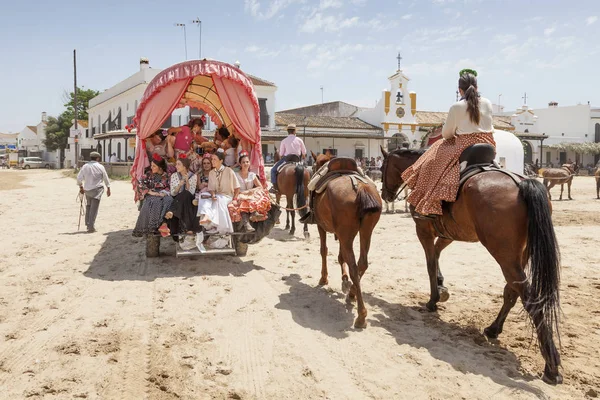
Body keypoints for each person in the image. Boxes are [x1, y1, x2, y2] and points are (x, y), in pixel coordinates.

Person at [401, 69, 495, 216]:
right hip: (489, 144)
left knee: (433, 159)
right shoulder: (488, 103)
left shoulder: (457, 106)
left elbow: (446, 134)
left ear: (460, 90)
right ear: (476, 88)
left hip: (465, 145)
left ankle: (430, 202)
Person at [197, 150, 240, 234]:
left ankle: (218, 226)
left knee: (219, 200)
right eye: (212, 159)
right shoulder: (212, 173)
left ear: (221, 161)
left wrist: (235, 199)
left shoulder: (229, 171)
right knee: (203, 195)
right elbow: (211, 188)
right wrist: (212, 195)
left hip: (227, 196)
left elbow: (237, 187)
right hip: (216, 195)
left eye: (214, 159)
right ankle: (206, 216)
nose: (212, 161)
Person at [228, 151, 271, 233]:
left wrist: (251, 191)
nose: (245, 164)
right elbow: (234, 189)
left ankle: (253, 215)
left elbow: (260, 187)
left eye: (247, 162)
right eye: (243, 162)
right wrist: (243, 193)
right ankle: (247, 223)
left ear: (249, 163)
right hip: (240, 194)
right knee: (243, 200)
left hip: (250, 194)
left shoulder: (252, 175)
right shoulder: (236, 175)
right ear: (240, 164)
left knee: (257, 196)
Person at [132, 155, 172, 237]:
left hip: (163, 194)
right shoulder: (148, 174)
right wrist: (151, 192)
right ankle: (153, 227)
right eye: (151, 165)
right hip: (152, 195)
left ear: (160, 167)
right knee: (155, 201)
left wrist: (164, 193)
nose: (152, 167)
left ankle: (163, 223)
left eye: (154, 166)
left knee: (169, 200)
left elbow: (170, 186)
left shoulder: (167, 175)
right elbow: (140, 184)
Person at [165, 155, 199, 238]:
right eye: (176, 164)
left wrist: (187, 181)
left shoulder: (193, 176)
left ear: (184, 166)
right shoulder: (174, 176)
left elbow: (191, 192)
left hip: (189, 198)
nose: (176, 166)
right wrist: (179, 186)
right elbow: (173, 193)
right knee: (182, 195)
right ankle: (188, 229)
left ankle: (172, 211)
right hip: (178, 199)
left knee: (186, 193)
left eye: (178, 164)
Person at [76, 151, 111, 233]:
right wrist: (108, 188)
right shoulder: (100, 166)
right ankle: (91, 227)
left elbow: (79, 178)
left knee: (88, 206)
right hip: (97, 189)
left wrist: (81, 186)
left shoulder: (85, 166)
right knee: (94, 208)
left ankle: (88, 224)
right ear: (98, 158)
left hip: (87, 189)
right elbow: (105, 178)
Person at [270, 123, 307, 194]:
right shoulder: (299, 140)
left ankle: (275, 188)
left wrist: (281, 157)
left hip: (287, 159)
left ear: (288, 131)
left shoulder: (284, 141)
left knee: (273, 170)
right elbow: (304, 153)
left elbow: (281, 154)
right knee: (308, 171)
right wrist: (303, 158)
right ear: (294, 131)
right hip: (297, 159)